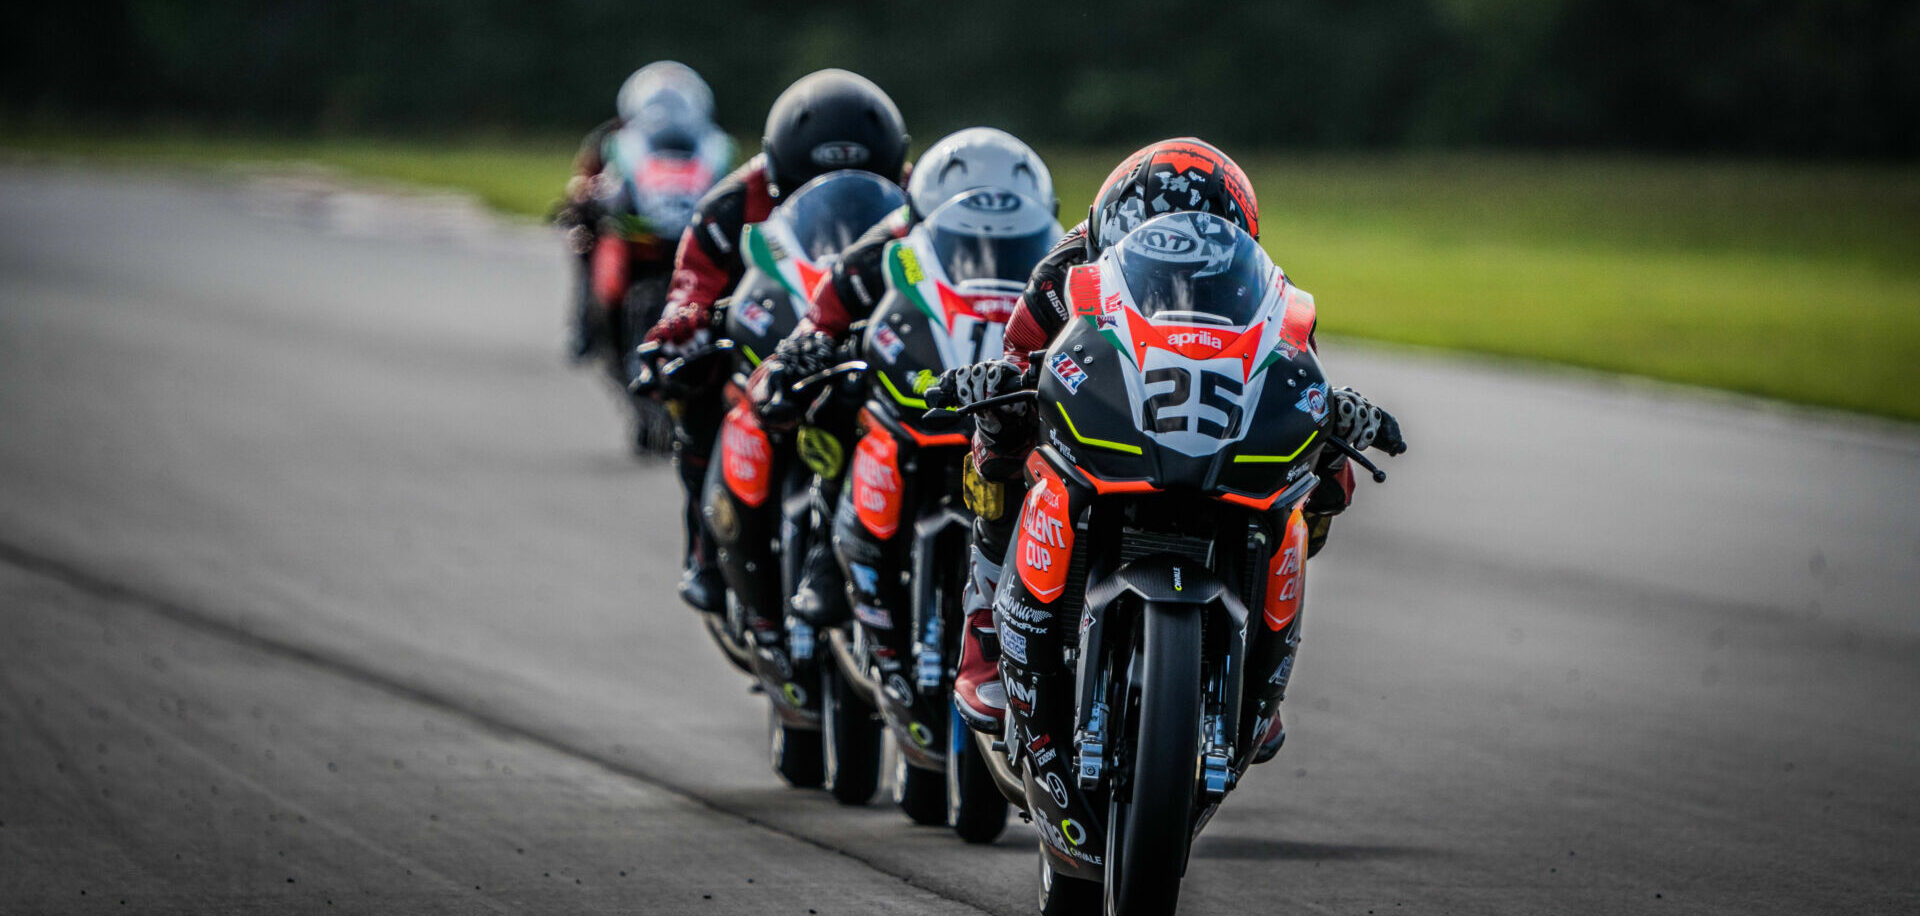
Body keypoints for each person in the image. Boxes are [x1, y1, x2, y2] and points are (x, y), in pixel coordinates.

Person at [935, 138, 1407, 763]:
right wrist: (1001, 385)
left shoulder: (1265, 283)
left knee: (1329, 470)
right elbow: (1018, 354)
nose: (1177, 251)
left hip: (1205, 427)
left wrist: (1332, 410)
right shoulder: (1061, 271)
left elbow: (1296, 362)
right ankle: (985, 630)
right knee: (996, 436)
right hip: (1102, 414)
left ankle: (1261, 656)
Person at [743, 127, 1057, 627]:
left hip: (1010, 397)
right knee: (845, 390)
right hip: (923, 375)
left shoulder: (1055, 252)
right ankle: (828, 547)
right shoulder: (892, 237)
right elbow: (834, 295)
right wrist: (813, 338)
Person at [642, 69, 910, 612]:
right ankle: (704, 541)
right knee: (695, 384)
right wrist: (687, 320)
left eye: (864, 178)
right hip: (763, 337)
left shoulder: (918, 191)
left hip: (860, 337)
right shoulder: (729, 205)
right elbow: (691, 282)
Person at [557, 62, 729, 370]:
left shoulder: (712, 145)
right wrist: (586, 196)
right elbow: (583, 179)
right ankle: (584, 322)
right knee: (584, 237)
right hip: (635, 229)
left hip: (686, 231)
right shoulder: (610, 139)